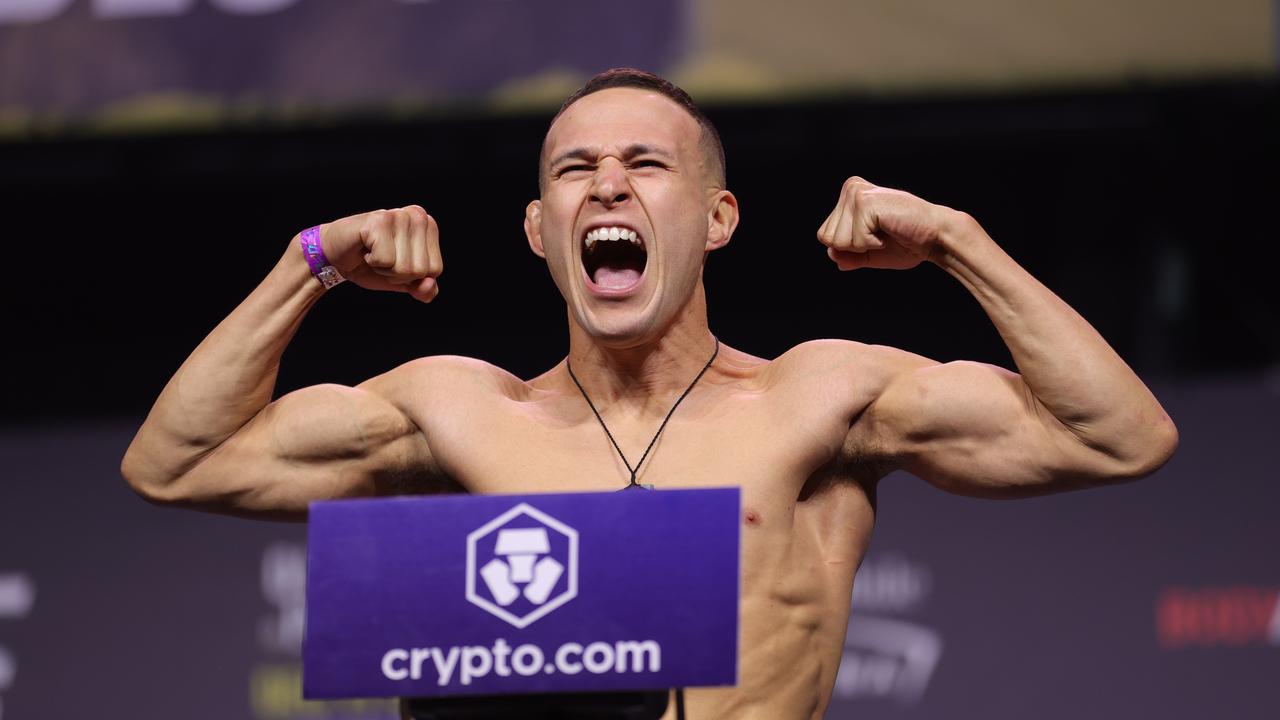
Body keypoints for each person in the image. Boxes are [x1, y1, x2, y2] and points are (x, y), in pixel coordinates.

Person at [122, 68, 1177, 719]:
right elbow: (176, 462)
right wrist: (310, 262)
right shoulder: (460, 412)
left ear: (715, 219)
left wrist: (956, 241)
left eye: (644, 164)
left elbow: (1117, 437)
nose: (607, 186)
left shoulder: (819, 398)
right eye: (573, 169)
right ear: (541, 234)